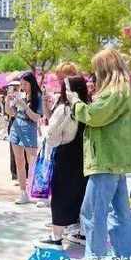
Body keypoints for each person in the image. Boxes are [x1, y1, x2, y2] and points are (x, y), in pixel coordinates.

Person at [68, 49, 131, 260]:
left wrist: (75, 102)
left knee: (93, 211)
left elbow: (93, 116)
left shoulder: (114, 92)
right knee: (120, 212)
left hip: (106, 158)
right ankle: (126, 258)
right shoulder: (125, 90)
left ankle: (96, 258)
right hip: (117, 159)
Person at [37, 76, 89, 249]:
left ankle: (56, 236)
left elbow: (51, 136)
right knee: (80, 195)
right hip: (84, 157)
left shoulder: (64, 109)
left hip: (65, 156)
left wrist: (44, 129)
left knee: (60, 196)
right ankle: (80, 231)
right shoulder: (88, 108)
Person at [5, 72, 43, 204]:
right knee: (19, 162)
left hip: (29, 131)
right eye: (21, 84)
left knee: (32, 163)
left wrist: (24, 106)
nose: (23, 87)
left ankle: (37, 193)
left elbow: (36, 118)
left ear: (32, 83)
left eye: (25, 84)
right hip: (16, 129)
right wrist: (7, 101)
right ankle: (23, 193)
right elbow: (11, 113)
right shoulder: (21, 95)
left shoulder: (38, 97)